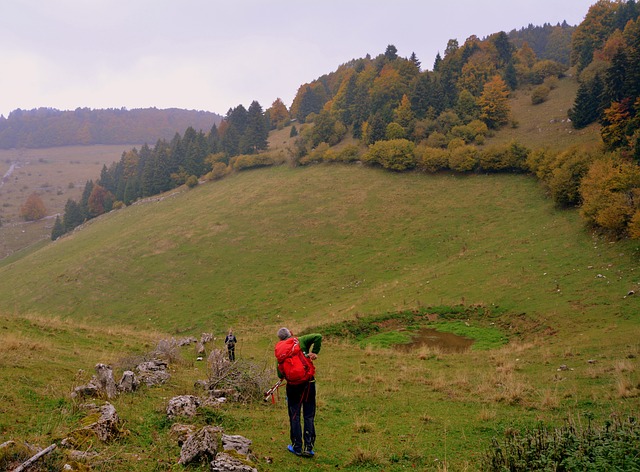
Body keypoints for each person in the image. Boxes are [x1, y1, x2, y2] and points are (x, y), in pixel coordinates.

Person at [275, 327, 322, 458]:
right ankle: (308, 448)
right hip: (308, 383)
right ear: (291, 333)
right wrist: (314, 352)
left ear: (280, 339)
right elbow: (318, 335)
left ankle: (297, 447)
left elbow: (280, 373)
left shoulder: (280, 351)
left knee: (294, 415)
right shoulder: (300, 340)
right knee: (308, 415)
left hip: (293, 387)